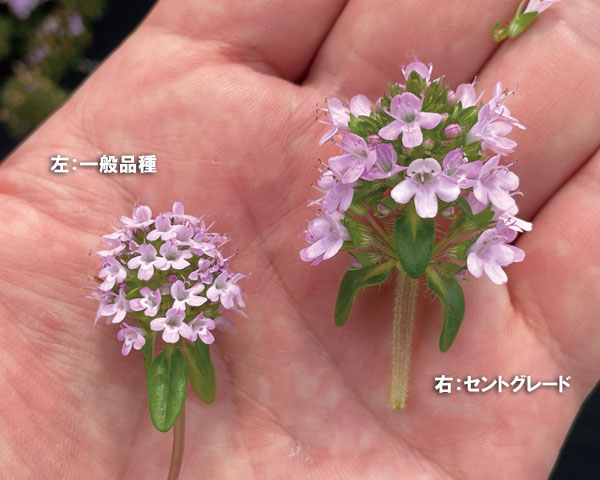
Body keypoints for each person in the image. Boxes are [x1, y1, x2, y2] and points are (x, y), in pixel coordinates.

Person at [0, 0, 598, 478]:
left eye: (414, 123)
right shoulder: (379, 163)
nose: (413, 136)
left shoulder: (441, 163)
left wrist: (469, 202)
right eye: (406, 130)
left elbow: (426, 218)